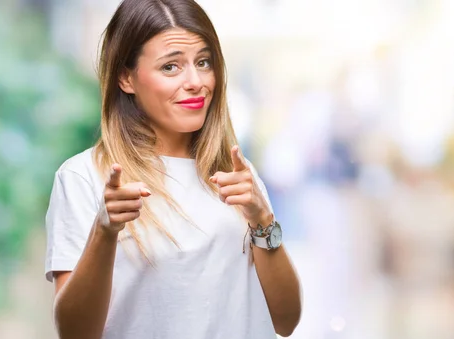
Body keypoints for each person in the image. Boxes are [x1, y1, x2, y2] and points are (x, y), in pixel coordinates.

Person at [43, 1, 302, 338]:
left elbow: (286, 320)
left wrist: (263, 219)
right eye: (171, 67)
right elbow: (75, 333)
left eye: (203, 62)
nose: (196, 82)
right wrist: (104, 233)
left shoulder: (236, 173)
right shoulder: (84, 177)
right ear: (126, 77)